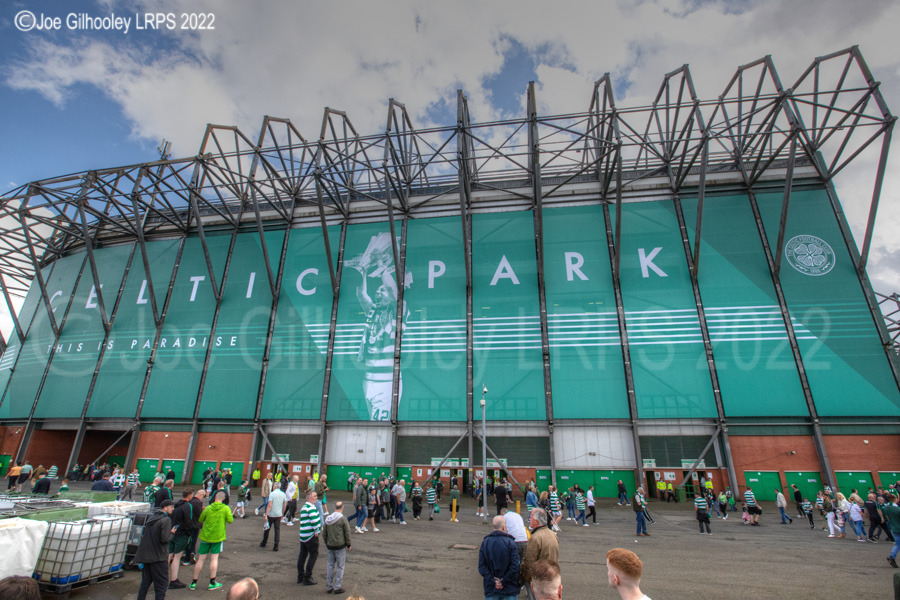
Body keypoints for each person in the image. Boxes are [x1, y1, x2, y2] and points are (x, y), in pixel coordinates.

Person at [191, 490, 233, 591]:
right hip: (217, 536)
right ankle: (212, 582)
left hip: (206, 535)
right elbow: (230, 520)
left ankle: (193, 582)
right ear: (223, 499)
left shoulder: (208, 508)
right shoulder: (225, 508)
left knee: (201, 559)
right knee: (214, 559)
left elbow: (201, 519)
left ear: (215, 498)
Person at [135, 499, 175, 600]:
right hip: (158, 557)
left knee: (145, 583)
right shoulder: (166, 520)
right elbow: (165, 539)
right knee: (161, 584)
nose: (173, 509)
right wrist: (172, 533)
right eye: (171, 507)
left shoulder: (152, 518)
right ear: (165, 508)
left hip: (147, 555)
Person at [477, 515, 520, 599]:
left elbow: (482, 567)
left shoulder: (485, 542)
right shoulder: (511, 543)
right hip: (509, 589)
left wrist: (494, 581)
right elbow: (515, 566)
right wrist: (504, 581)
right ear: (504, 527)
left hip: (491, 589)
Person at [521, 509, 559, 600]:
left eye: (530, 517)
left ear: (536, 521)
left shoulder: (535, 538)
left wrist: (525, 578)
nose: (529, 519)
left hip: (538, 579)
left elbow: (529, 562)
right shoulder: (552, 534)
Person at [168, 489, 198, 589]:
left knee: (168, 556)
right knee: (177, 557)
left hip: (173, 532)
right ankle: (173, 580)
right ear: (190, 495)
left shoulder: (176, 504)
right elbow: (188, 520)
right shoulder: (187, 506)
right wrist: (189, 533)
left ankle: (161, 578)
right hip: (181, 534)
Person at [323, 501, 352, 594]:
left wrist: (327, 543)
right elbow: (347, 532)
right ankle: (337, 586)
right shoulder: (343, 519)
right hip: (340, 546)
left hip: (330, 545)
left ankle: (329, 586)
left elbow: (324, 533)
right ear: (342, 508)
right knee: (340, 566)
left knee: (330, 565)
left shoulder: (328, 519)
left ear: (335, 507)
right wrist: (349, 544)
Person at [297, 490, 323, 585]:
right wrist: (317, 531)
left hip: (303, 535)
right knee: (313, 555)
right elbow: (315, 521)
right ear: (310, 498)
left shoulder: (305, 507)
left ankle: (300, 576)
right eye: (315, 496)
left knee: (302, 555)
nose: (316, 498)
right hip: (310, 535)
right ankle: (307, 576)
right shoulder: (311, 508)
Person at [260, 479, 286, 551]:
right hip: (278, 514)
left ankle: (264, 542)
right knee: (277, 530)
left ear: (274, 486)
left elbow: (269, 505)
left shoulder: (272, 494)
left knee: (267, 529)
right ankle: (276, 545)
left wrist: (266, 514)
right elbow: (284, 504)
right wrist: (282, 513)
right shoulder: (283, 494)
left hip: (271, 514)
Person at [882, 493, 900, 568]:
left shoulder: (885, 507)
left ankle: (892, 556)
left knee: (898, 544)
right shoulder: (897, 509)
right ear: (895, 499)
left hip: (894, 527)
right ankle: (892, 556)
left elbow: (887, 517)